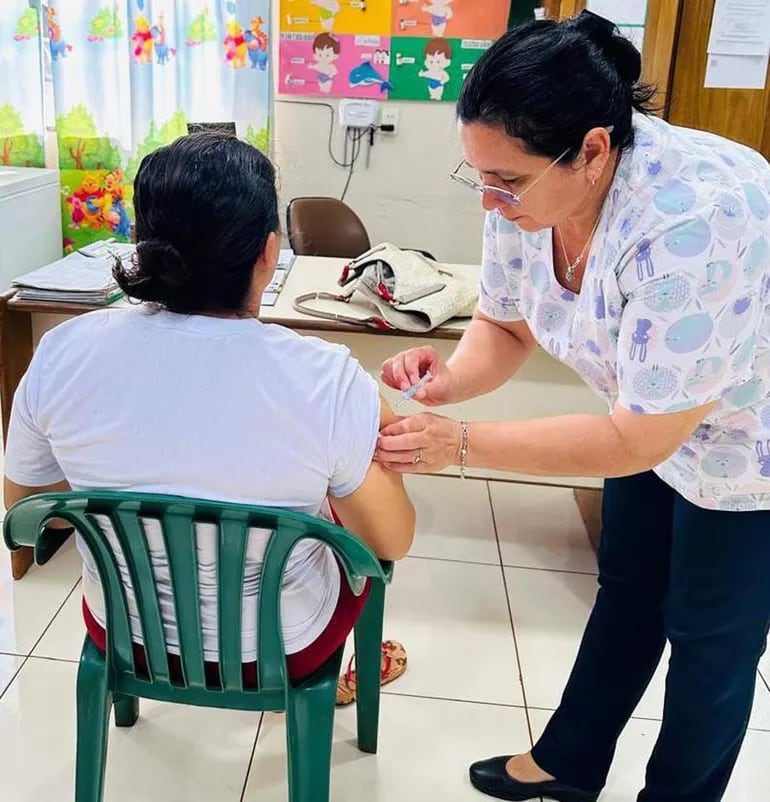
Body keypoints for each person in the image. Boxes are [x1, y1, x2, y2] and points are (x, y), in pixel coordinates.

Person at [377, 11, 770, 802]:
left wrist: (459, 443)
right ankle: (569, 760)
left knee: (709, 639)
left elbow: (633, 439)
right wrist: (450, 379)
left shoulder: (695, 219)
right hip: (645, 414)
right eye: (477, 176)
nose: (489, 200)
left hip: (747, 441)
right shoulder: (523, 191)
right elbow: (504, 321)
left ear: (593, 149)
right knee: (627, 587)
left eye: (507, 182)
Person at [4, 133, 415, 690]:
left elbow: (31, 516)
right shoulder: (323, 377)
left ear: (142, 243)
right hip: (280, 647)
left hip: (124, 633)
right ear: (269, 254)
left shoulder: (61, 352)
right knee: (343, 521)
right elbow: (391, 541)